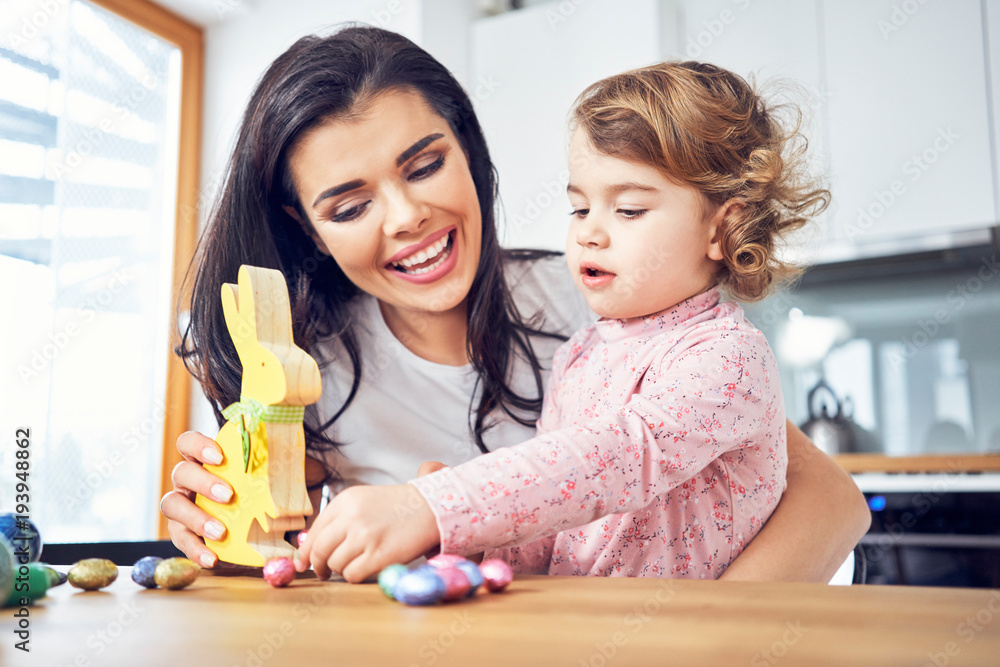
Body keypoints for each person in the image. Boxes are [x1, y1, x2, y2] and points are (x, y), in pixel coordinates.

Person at [160, 26, 870, 583]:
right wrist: (222, 537)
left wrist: (698, 635)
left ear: (468, 150)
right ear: (303, 226)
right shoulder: (307, 370)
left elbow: (829, 498)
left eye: (427, 164)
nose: (406, 216)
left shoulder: (614, 304)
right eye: (349, 205)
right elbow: (288, 559)